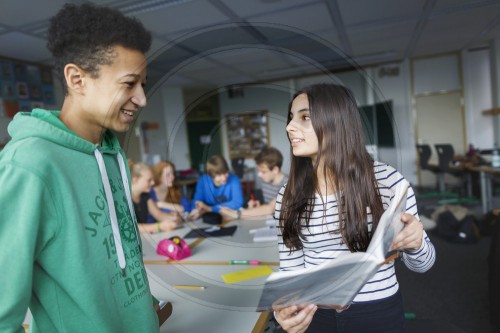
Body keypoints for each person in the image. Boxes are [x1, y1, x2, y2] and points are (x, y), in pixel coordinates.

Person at [0, 3, 161, 332]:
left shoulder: (111, 153)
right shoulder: (30, 163)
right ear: (77, 79)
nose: (142, 98)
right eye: (129, 84)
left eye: (143, 84)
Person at [273, 83, 436, 333]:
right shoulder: (289, 193)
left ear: (337, 121)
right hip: (315, 315)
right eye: (291, 117)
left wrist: (415, 244)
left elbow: (424, 265)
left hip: (377, 312)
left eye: (305, 117)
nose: (289, 127)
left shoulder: (388, 183)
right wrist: (285, 310)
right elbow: (291, 270)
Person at [220, 146, 288, 220]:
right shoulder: (266, 180)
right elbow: (269, 210)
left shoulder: (288, 184)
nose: (259, 175)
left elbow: (271, 209)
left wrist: (237, 213)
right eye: (259, 171)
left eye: (263, 172)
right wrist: (258, 208)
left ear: (275, 170)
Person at [188, 155, 244, 219]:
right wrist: (196, 210)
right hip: (208, 217)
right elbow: (197, 201)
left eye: (225, 172)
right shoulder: (203, 181)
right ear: (211, 175)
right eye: (219, 175)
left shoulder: (234, 179)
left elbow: (237, 202)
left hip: (228, 216)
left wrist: (210, 208)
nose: (224, 178)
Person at [131, 162, 181, 233]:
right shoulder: (123, 199)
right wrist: (159, 226)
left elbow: (159, 215)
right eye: (149, 180)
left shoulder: (145, 195)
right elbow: (130, 228)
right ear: (135, 180)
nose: (153, 183)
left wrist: (174, 218)